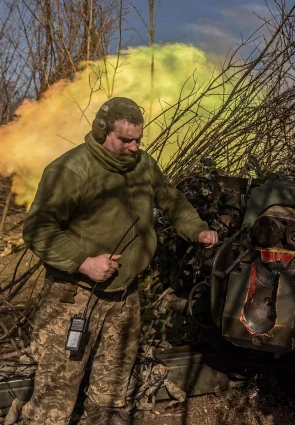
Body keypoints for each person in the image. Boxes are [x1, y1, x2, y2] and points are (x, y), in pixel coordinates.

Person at [21, 97, 219, 425]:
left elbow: (175, 204)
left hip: (126, 297)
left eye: (138, 139)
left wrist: (197, 230)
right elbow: (37, 229)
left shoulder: (143, 166)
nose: (133, 147)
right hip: (75, 298)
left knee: (111, 399)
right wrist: (84, 262)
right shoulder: (71, 169)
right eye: (125, 140)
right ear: (102, 132)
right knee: (54, 400)